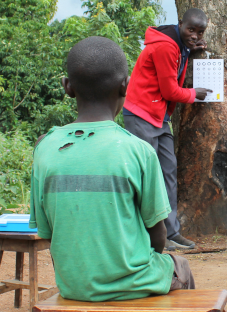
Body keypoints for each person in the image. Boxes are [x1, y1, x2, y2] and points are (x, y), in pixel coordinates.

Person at [29, 37, 195, 302]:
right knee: (182, 268)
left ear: (67, 87)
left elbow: (48, 232)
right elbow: (158, 235)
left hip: (75, 286)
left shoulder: (44, 148)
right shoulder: (138, 150)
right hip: (134, 281)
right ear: (125, 86)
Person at [123, 8, 212, 250]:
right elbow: (170, 91)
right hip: (141, 113)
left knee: (168, 173)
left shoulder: (179, 45)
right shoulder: (165, 46)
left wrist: (189, 53)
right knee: (146, 176)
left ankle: (170, 232)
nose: (194, 35)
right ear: (180, 24)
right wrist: (195, 94)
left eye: (199, 32)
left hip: (160, 116)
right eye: (190, 30)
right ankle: (147, 235)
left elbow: (174, 68)